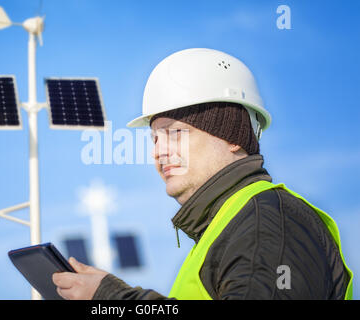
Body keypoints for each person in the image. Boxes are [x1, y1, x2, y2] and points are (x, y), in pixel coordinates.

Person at [52, 48, 353, 300]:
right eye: (155, 138)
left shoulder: (266, 225)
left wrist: (113, 300)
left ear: (233, 135)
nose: (158, 152)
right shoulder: (231, 227)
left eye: (174, 133)